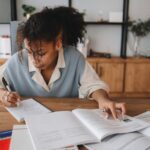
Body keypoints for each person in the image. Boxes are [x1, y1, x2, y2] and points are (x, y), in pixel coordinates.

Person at [0, 7, 126, 119]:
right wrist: (3, 95)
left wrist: (103, 100)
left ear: (58, 44)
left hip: (68, 123)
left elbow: (93, 85)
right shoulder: (17, 60)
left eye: (41, 53)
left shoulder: (74, 58)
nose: (34, 59)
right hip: (26, 125)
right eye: (29, 51)